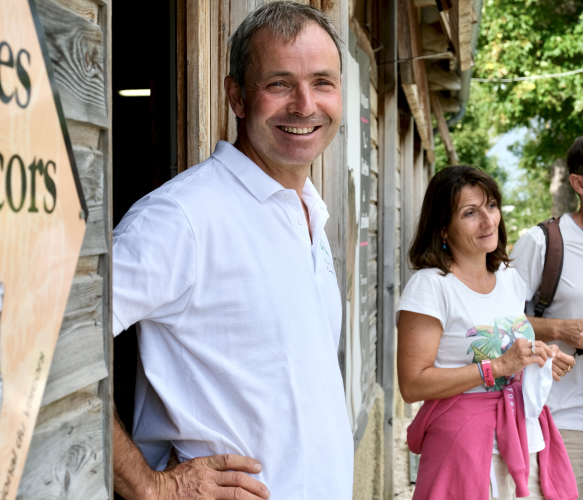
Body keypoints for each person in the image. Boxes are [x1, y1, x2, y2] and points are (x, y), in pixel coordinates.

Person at [110, 2, 352, 499]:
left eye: (323, 82)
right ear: (237, 97)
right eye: (279, 83)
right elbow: (50, 343)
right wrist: (150, 486)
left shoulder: (308, 212)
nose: (305, 104)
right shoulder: (182, 219)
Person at [397, 166, 578, 500]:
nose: (488, 220)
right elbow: (412, 384)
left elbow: (507, 344)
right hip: (463, 445)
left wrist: (538, 357)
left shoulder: (509, 277)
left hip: (525, 435)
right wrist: (495, 368)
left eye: (491, 206)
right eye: (470, 212)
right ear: (443, 228)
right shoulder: (430, 287)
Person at [510, 136, 583, 494]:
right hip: (563, 420)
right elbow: (497, 323)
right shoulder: (543, 243)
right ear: (579, 183)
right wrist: (559, 329)